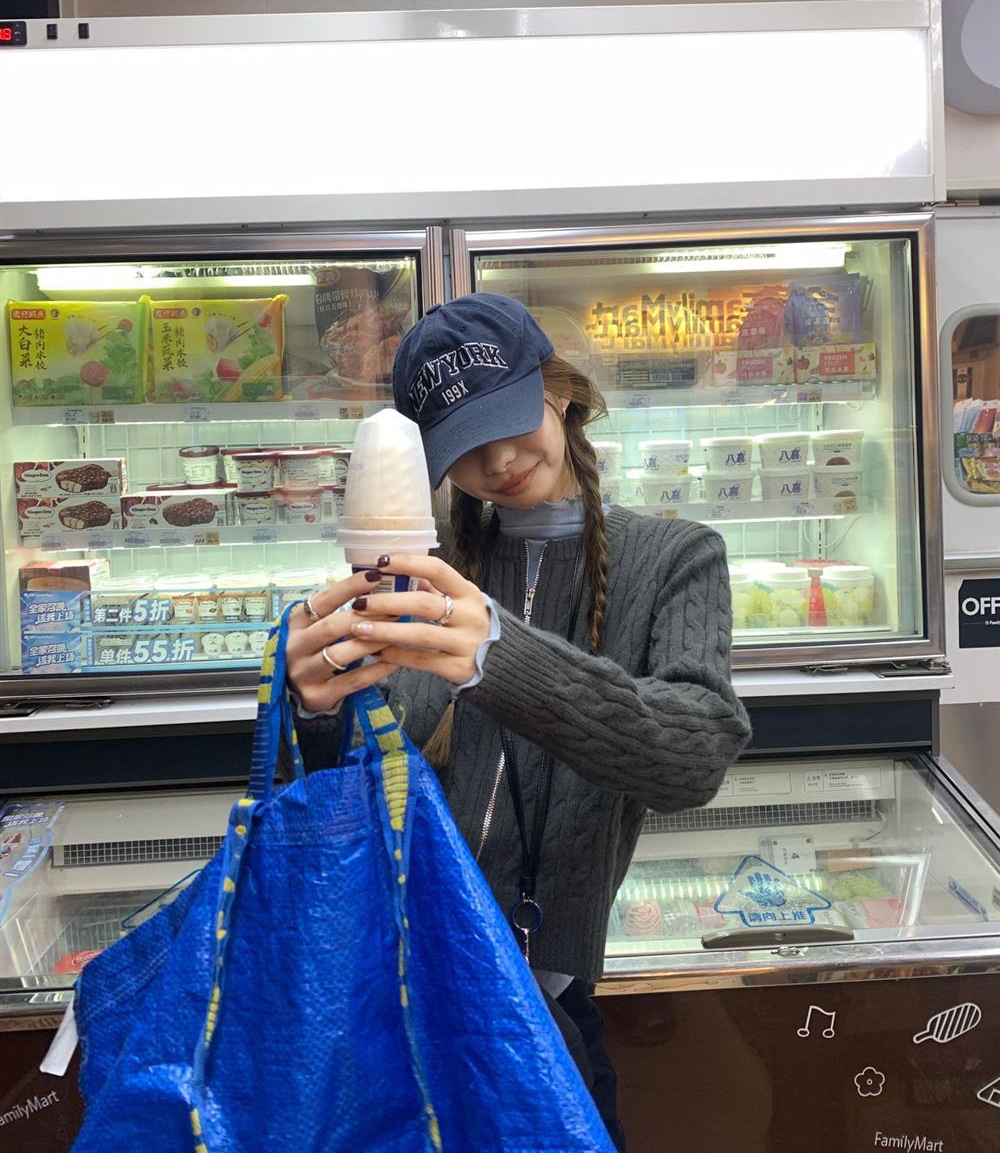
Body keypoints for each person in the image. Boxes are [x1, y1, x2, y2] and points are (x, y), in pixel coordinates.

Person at [285, 294, 751, 1149]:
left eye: (508, 420)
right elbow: (354, 797)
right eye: (465, 445)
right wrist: (316, 711)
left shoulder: (677, 558)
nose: (498, 460)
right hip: (401, 990)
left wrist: (499, 656)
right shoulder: (418, 573)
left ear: (558, 392)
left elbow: (693, 756)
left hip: (547, 1008)